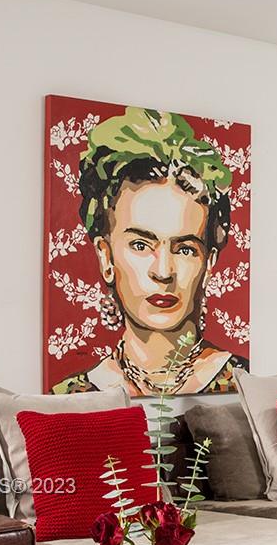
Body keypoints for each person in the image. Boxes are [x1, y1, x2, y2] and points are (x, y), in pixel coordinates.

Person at [52, 107, 247, 395]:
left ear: (209, 264)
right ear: (106, 256)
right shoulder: (71, 396)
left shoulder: (245, 383)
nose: (163, 271)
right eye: (141, 245)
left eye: (185, 249)